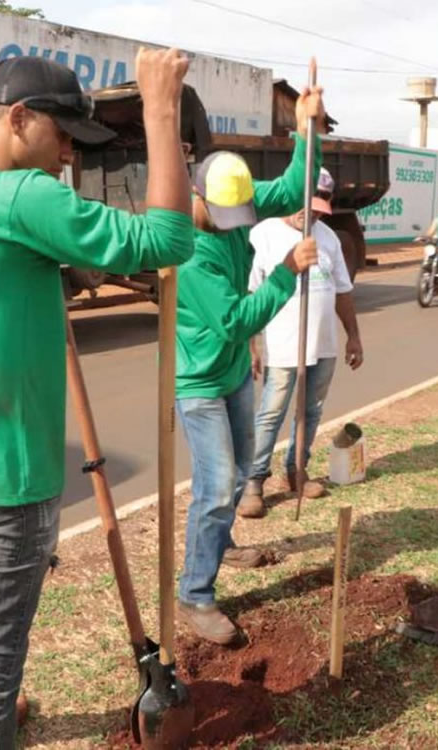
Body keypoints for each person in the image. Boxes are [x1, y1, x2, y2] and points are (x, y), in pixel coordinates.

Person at [0, 50, 194, 749]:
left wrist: (57, 276)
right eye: (61, 136)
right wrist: (159, 109)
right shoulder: (24, 200)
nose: (67, 154)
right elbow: (169, 239)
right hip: (10, 483)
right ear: (18, 118)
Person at [174, 86, 325, 646]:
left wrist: (307, 131)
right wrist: (287, 271)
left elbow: (291, 187)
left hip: (234, 370)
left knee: (238, 476)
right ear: (197, 194)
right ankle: (194, 593)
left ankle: (221, 546)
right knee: (215, 487)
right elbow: (236, 320)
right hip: (199, 382)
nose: (234, 223)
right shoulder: (189, 251)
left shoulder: (230, 195)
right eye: (222, 215)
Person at [238, 168, 363, 516]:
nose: (313, 214)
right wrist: (252, 346)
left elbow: (343, 291)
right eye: (307, 206)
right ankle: (254, 481)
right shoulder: (263, 235)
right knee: (271, 413)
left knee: (310, 412)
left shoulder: (329, 238)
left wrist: (353, 335)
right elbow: (250, 294)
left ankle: (296, 470)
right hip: (281, 346)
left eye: (321, 208)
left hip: (322, 346)